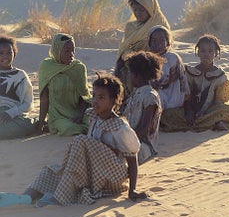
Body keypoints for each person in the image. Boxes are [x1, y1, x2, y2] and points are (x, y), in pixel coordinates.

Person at [0, 73, 147, 207]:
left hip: (112, 179)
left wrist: (132, 189)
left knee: (81, 140)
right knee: (50, 172)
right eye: (94, 95)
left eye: (101, 98)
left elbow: (132, 159)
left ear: (114, 100)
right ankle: (25, 198)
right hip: (94, 172)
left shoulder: (120, 127)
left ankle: (61, 198)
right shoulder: (93, 116)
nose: (95, 101)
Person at [114, 0, 170, 96]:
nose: (137, 13)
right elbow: (123, 50)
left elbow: (164, 49)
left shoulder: (160, 25)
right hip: (131, 63)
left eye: (141, 10)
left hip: (153, 64)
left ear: (150, 9)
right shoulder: (131, 27)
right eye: (135, 10)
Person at [37, 33, 92, 136]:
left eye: (73, 50)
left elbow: (84, 97)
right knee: (69, 128)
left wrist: (80, 116)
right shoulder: (46, 67)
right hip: (58, 116)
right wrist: (40, 124)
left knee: (92, 124)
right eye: (67, 51)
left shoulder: (78, 68)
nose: (71, 54)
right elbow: (44, 98)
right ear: (57, 51)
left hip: (78, 113)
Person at [183, 34, 229, 131]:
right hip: (191, 110)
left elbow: (219, 101)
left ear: (216, 54)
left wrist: (206, 111)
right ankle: (210, 123)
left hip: (210, 111)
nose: (206, 54)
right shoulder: (190, 72)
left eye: (210, 51)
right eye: (203, 51)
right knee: (169, 114)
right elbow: (186, 95)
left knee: (228, 111)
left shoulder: (220, 76)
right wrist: (189, 111)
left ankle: (203, 122)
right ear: (198, 52)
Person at [147, 25, 190, 132]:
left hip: (172, 97)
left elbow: (163, 82)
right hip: (159, 95)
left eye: (162, 40)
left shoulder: (172, 57)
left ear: (168, 42)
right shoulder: (147, 58)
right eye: (154, 40)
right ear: (149, 42)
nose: (158, 43)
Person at [123, 51, 162, 164]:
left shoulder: (150, 97)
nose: (129, 76)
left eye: (130, 72)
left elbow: (144, 130)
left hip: (144, 146)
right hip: (130, 141)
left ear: (137, 75)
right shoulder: (136, 93)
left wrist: (121, 140)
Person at [0, 36, 36, 140]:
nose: (5, 56)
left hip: (13, 115)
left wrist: (11, 113)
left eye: (9, 53)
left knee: (20, 126)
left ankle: (35, 123)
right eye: (1, 53)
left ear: (14, 53)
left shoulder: (21, 75)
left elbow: (28, 103)